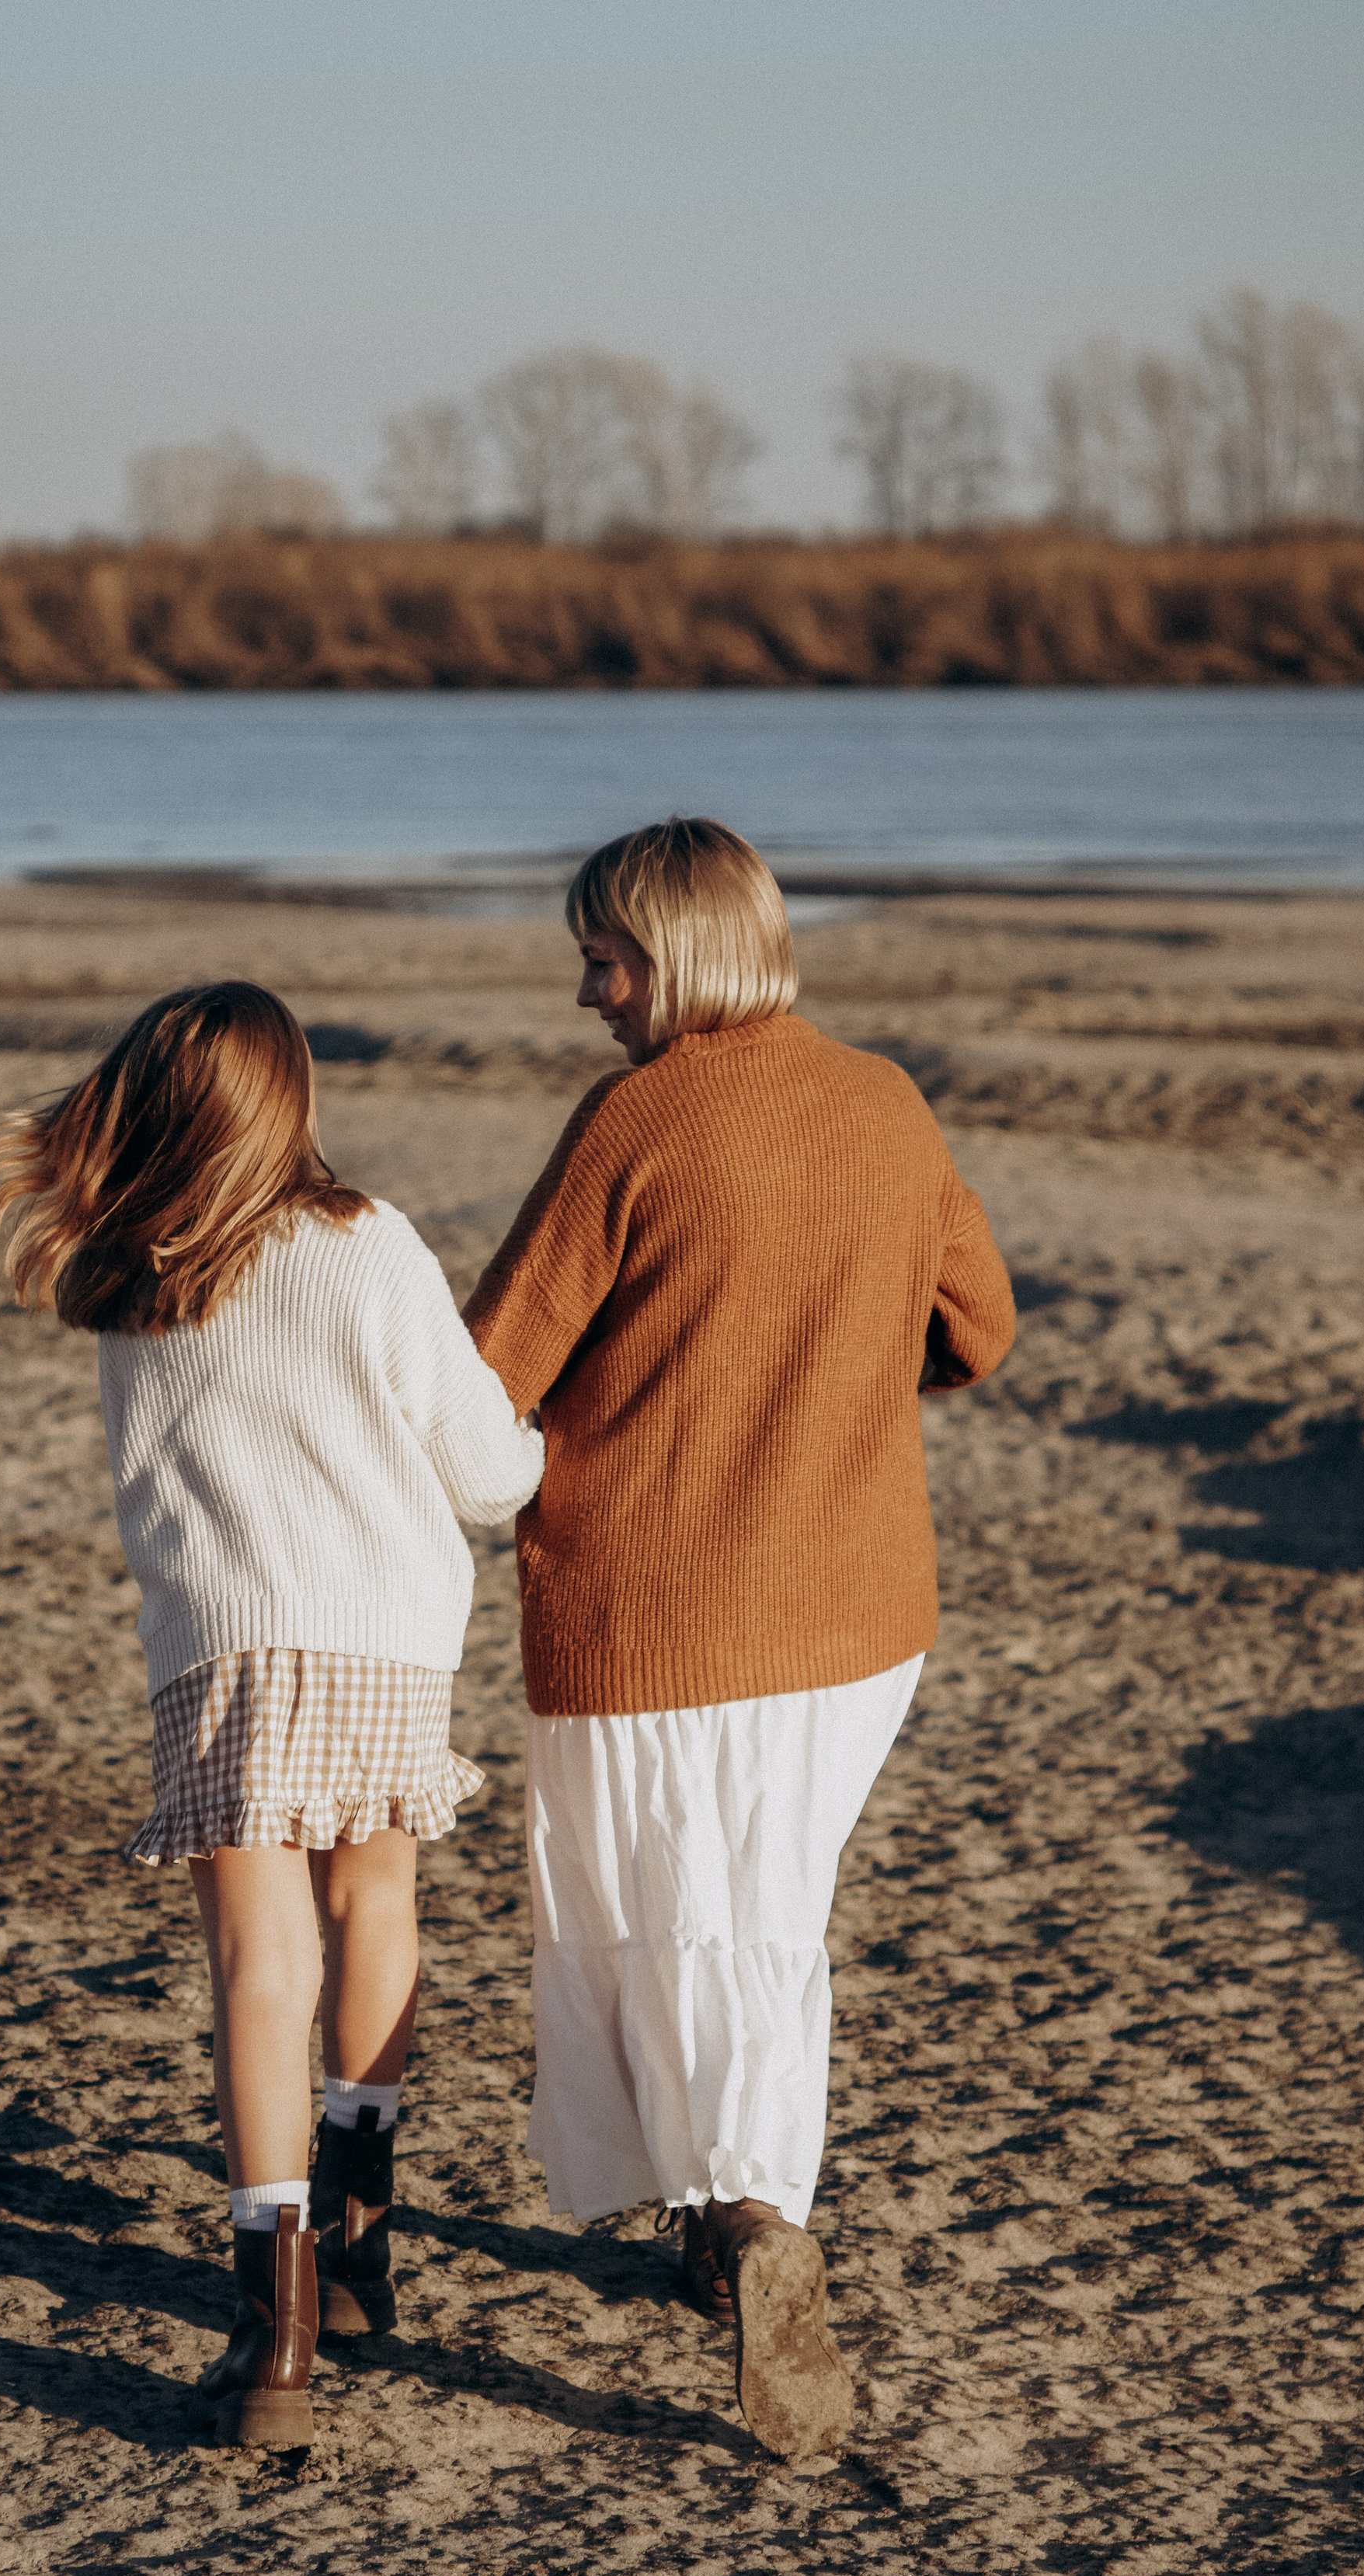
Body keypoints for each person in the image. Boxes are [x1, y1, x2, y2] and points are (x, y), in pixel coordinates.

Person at [465, 820, 1014, 2460]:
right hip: (856, 1615)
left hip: (654, 1605)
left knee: (663, 1919)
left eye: (606, 958)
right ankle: (733, 2216)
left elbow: (488, 1367)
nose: (585, 993)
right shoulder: (884, 1103)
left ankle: (752, 2220)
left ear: (685, 953)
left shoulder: (639, 1120)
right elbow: (974, 1328)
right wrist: (827, 1386)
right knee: (761, 1908)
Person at [0, 983, 542, 2448]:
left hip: (222, 1649)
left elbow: (148, 1493)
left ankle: (271, 2329)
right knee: (375, 1909)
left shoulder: (134, 1276)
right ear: (291, 1100)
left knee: (255, 1962)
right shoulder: (371, 1246)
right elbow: (489, 1473)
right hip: (386, 1638)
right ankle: (360, 2261)